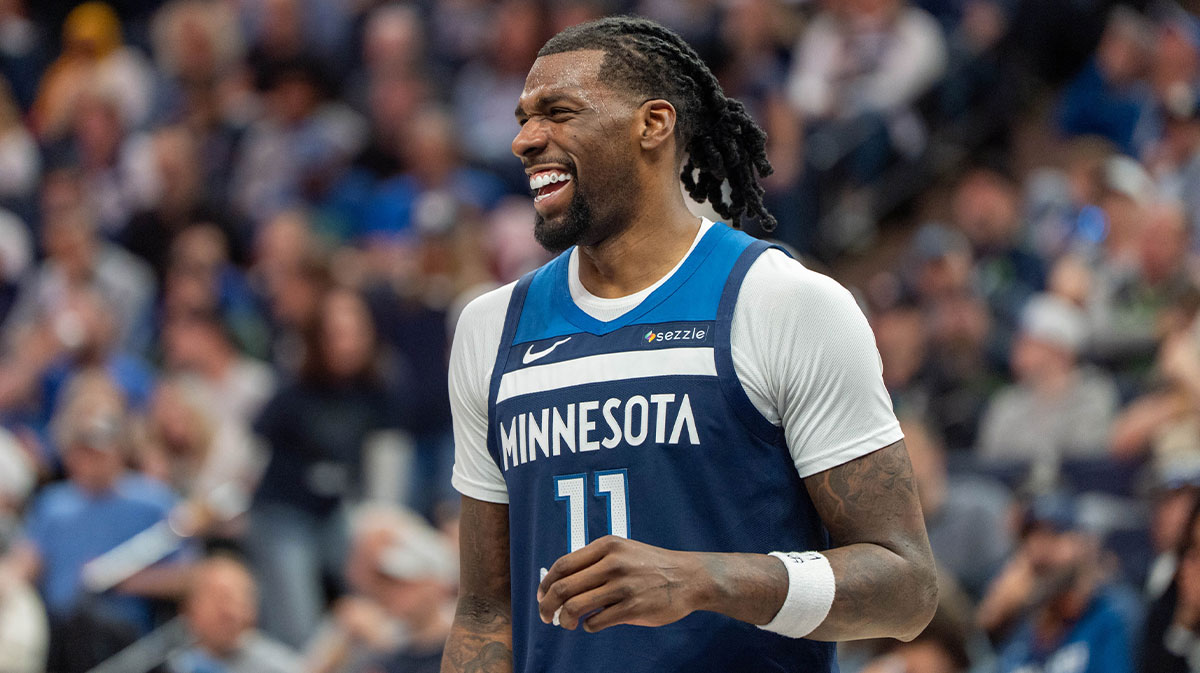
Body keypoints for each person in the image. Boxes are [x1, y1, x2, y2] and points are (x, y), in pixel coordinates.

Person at [444, 16, 937, 673]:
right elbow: (484, 612)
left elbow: (906, 587)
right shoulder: (489, 327)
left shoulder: (784, 302)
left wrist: (704, 579)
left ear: (654, 124)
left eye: (557, 112)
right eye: (524, 117)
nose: (526, 139)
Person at [166, 555, 300, 673]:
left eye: (243, 600)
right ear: (188, 607)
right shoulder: (168, 662)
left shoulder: (272, 661)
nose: (232, 612)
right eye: (221, 599)